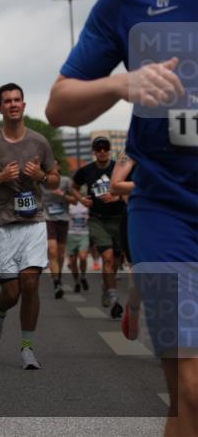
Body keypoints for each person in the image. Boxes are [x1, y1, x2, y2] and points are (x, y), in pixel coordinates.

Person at [45, 0, 198, 436]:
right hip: (169, 213)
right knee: (192, 387)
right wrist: (122, 85)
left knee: (182, 404)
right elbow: (59, 105)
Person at [0, 83, 58, 370]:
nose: (13, 104)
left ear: (24, 105)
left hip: (34, 221)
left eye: (17, 100)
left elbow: (56, 180)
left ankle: (27, 347)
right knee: (11, 293)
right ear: (0, 108)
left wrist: (42, 176)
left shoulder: (39, 142)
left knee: (31, 283)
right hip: (3, 223)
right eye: (7, 101)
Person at [71, 136, 127, 318]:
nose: (102, 151)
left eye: (105, 148)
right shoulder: (86, 170)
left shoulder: (118, 168)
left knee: (116, 263)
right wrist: (81, 199)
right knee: (108, 258)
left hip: (118, 218)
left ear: (109, 150)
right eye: (98, 148)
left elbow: (131, 188)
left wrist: (117, 197)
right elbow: (73, 186)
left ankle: (106, 288)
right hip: (97, 219)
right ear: (93, 151)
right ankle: (114, 299)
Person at [110, 152, 140, 340]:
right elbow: (115, 186)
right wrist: (156, 185)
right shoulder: (131, 153)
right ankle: (134, 308)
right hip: (138, 220)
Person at [42, 172, 73, 299]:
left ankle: (58, 276)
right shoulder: (41, 182)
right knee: (52, 251)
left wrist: (63, 195)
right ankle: (56, 283)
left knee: (60, 254)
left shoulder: (66, 181)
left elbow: (75, 200)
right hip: (48, 219)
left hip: (63, 220)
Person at [66, 197, 91, 294]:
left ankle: (83, 276)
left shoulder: (87, 202)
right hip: (71, 234)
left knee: (83, 257)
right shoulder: (68, 203)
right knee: (73, 262)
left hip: (84, 234)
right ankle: (76, 282)